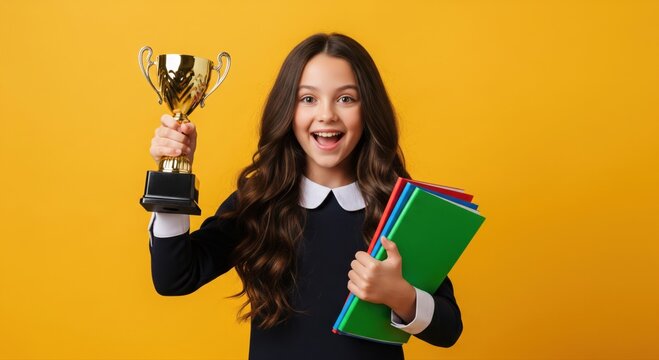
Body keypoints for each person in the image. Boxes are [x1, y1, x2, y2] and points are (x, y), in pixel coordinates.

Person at [147, 33, 463, 359]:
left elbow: (449, 328)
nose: (326, 115)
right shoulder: (259, 202)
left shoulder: (399, 208)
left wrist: (401, 296)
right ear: (287, 110)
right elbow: (174, 278)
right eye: (308, 99)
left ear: (369, 110)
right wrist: (174, 172)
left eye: (346, 99)